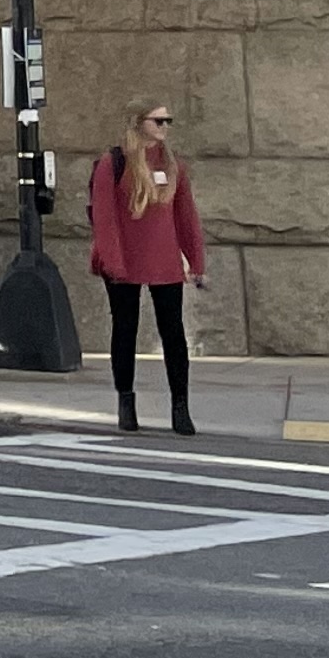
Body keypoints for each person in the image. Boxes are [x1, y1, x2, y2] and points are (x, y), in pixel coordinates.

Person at [86, 100, 206, 435]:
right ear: (139, 123)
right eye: (158, 121)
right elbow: (105, 219)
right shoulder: (114, 163)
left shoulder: (172, 165)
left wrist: (196, 261)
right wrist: (113, 262)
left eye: (168, 121)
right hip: (123, 261)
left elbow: (186, 218)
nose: (165, 127)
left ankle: (180, 406)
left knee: (174, 334)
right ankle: (126, 401)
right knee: (125, 330)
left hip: (164, 260)